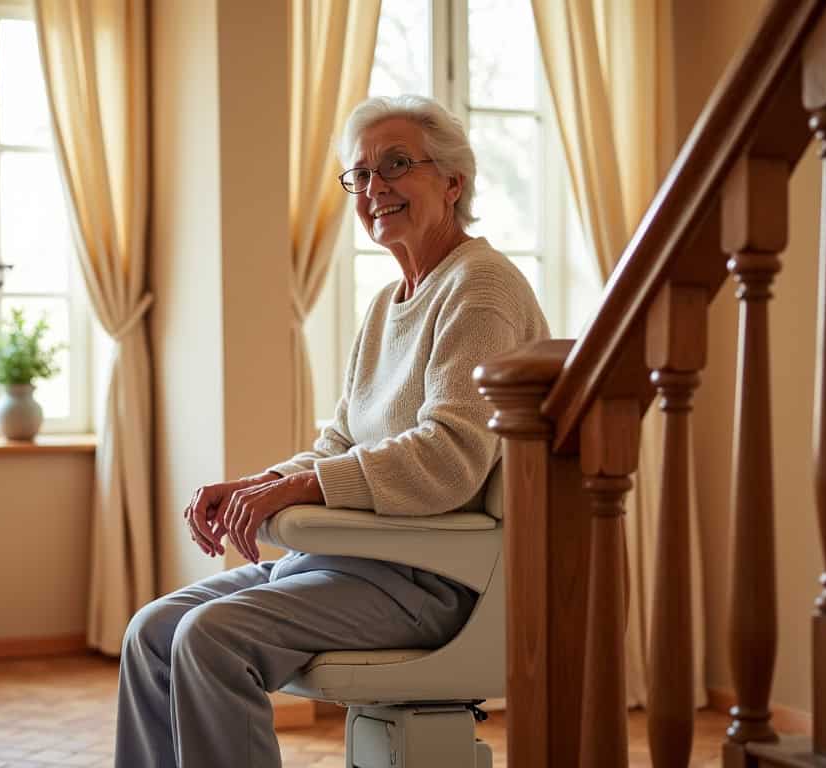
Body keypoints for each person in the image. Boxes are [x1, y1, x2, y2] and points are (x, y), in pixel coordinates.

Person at [114, 94, 549, 768]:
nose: (375, 187)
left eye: (396, 165)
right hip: (350, 562)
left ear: (453, 181)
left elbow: (451, 456)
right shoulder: (387, 303)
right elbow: (340, 443)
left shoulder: (480, 287)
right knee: (152, 632)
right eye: (361, 174)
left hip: (433, 579)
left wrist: (303, 488)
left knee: (210, 639)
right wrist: (259, 485)